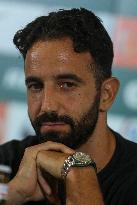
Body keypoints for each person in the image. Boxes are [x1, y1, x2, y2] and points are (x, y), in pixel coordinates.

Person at [0, 7, 137, 205]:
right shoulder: (7, 163)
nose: (47, 105)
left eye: (67, 85)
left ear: (106, 94)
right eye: (35, 86)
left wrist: (82, 182)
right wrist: (12, 194)